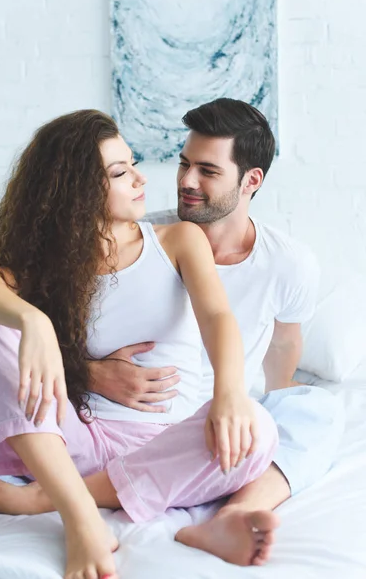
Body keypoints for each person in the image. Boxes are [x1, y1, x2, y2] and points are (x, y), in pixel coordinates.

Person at [0, 109, 279, 579]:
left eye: (132, 163)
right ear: (75, 190)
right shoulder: (46, 262)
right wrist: (32, 321)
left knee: (257, 430)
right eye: (119, 172)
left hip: (162, 443)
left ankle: (40, 498)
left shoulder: (177, 239)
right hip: (71, 438)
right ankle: (81, 517)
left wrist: (230, 394)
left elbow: (217, 317)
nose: (139, 178)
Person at [83, 98, 345, 562]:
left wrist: (266, 404)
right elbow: (69, 329)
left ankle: (237, 513)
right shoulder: (142, 236)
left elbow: (284, 349)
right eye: (184, 164)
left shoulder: (290, 263)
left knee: (319, 408)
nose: (185, 181)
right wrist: (92, 374)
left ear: (251, 181)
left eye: (207, 170)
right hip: (147, 418)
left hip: (230, 415)